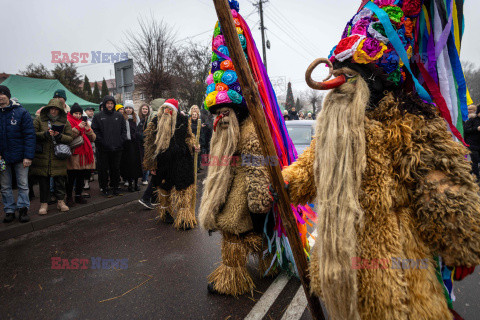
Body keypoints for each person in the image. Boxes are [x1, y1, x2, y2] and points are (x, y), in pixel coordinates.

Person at [281, 2, 480, 319]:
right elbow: (310, 167)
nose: (341, 81)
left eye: (354, 73)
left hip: (396, 273)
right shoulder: (336, 129)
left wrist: (459, 239)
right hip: (342, 268)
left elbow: (441, 186)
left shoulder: (409, 124)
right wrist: (286, 184)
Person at [199, 6, 274, 296]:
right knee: (233, 229)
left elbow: (258, 166)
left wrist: (258, 201)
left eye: (224, 109)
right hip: (229, 184)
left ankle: (233, 278)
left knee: (234, 228)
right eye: (216, 110)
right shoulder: (224, 128)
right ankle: (263, 264)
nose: (220, 116)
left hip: (244, 190)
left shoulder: (251, 130)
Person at [143, 99, 198, 230]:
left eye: (169, 110)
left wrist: (193, 145)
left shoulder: (183, 121)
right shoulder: (155, 122)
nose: (166, 112)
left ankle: (184, 218)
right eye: (164, 109)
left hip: (182, 161)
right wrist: (152, 165)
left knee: (183, 189)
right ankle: (166, 213)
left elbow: (189, 137)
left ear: (174, 111)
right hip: (163, 162)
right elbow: (150, 145)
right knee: (164, 189)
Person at [0, 85, 35, 223]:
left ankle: (23, 209)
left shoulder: (21, 112)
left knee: (23, 184)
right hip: (2, 158)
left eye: (3, 96)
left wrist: (28, 156)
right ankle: (9, 210)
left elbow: (29, 136)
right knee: (5, 186)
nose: (1, 99)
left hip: (21, 157)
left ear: (8, 96)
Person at [31, 99, 73, 215]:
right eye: (51, 108)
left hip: (58, 155)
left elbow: (70, 138)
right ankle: (44, 204)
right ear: (48, 109)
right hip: (42, 155)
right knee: (43, 181)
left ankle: (61, 202)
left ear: (60, 111)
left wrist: (59, 135)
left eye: (56, 109)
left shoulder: (65, 122)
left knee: (60, 180)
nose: (53, 111)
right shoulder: (39, 119)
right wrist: (45, 134)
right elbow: (32, 134)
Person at [91, 96, 126, 197]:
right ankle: (104, 188)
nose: (110, 105)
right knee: (103, 170)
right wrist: (103, 143)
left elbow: (123, 130)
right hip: (103, 149)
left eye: (112, 103)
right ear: (104, 104)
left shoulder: (119, 116)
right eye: (108, 103)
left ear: (114, 105)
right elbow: (95, 131)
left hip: (117, 148)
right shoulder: (98, 116)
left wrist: (120, 141)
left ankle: (115, 187)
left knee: (115, 169)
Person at [65, 103, 96, 206]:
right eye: (75, 113)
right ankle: (69, 197)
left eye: (79, 113)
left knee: (81, 177)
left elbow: (93, 138)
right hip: (73, 153)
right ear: (71, 113)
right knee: (71, 177)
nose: (78, 115)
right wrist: (78, 128)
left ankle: (78, 195)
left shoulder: (84, 122)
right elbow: (67, 137)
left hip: (84, 154)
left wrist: (88, 129)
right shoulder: (67, 121)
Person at [120, 100, 142, 192]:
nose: (128, 110)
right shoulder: (122, 118)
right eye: (127, 108)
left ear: (133, 109)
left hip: (136, 144)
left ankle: (136, 184)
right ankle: (129, 184)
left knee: (136, 164)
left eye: (130, 108)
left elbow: (139, 130)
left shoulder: (136, 118)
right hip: (127, 144)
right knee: (128, 165)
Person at [464, 105, 480, 180]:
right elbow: (466, 130)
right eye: (468, 109)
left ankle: (470, 175)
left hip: (478, 144)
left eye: (471, 109)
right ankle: (476, 178)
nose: (469, 110)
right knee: (474, 162)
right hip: (472, 144)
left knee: (475, 162)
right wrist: (476, 128)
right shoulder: (472, 119)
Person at [188, 105, 206, 173]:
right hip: (191, 140)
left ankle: (197, 167)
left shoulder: (199, 121)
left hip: (198, 139)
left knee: (198, 154)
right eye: (193, 114)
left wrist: (201, 142)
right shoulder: (189, 122)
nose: (194, 115)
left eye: (196, 114)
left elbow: (202, 133)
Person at [83, 106, 96, 190]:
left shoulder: (94, 120)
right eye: (90, 111)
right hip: (83, 145)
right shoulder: (83, 121)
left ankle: (89, 177)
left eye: (92, 111)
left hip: (92, 144)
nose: (91, 112)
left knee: (90, 161)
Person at [138, 103, 151, 185]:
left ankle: (145, 178)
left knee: (146, 160)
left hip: (147, 143)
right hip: (139, 143)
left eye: (146, 109)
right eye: (143, 109)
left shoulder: (149, 119)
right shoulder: (138, 118)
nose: (144, 110)